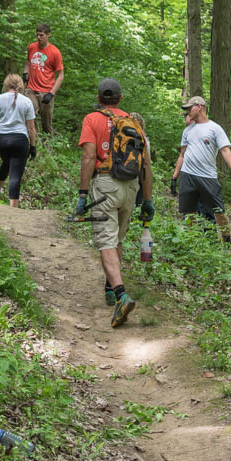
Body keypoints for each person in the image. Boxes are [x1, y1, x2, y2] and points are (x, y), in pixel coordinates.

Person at [77, 78, 153, 327]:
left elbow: (89, 158)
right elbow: (146, 166)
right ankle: (110, 287)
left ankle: (121, 294)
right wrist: (148, 200)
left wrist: (82, 194)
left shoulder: (92, 119)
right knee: (117, 239)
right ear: (120, 99)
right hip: (130, 187)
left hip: (105, 184)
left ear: (99, 99)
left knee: (106, 241)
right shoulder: (134, 123)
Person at [170, 95, 231, 245]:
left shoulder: (214, 128)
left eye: (190, 108)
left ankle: (227, 243)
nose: (188, 111)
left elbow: (225, 150)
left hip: (207, 176)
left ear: (199, 107)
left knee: (218, 211)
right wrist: (174, 177)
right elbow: (182, 154)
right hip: (188, 175)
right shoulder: (188, 130)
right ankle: (191, 243)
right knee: (188, 212)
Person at [0, 74, 38, 207]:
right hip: (20, 140)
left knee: (7, 162)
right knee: (15, 174)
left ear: (6, 84)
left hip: (1, 140)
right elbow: (31, 127)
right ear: (20, 86)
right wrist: (32, 146)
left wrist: (0, 133)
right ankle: (13, 210)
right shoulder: (27, 102)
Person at [24, 22, 65, 134]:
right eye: (37, 35)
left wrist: (51, 93)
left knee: (46, 125)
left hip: (46, 91)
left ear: (48, 35)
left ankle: (48, 148)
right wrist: (25, 73)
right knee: (29, 115)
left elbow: (61, 75)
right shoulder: (32, 47)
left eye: (41, 35)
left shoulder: (55, 52)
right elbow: (28, 61)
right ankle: (34, 142)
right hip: (31, 89)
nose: (39, 37)